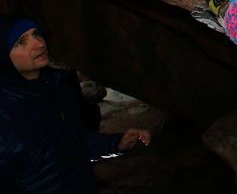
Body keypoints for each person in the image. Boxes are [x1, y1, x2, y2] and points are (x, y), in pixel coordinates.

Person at [0, 15, 151, 193]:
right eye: (21, 42)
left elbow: (73, 140)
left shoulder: (57, 88)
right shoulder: (5, 115)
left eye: (36, 34)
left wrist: (115, 144)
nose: (39, 44)